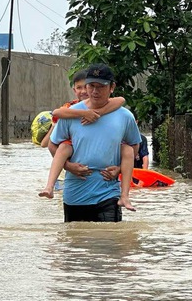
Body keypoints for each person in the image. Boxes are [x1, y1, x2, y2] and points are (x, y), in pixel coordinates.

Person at [48, 63, 141, 222]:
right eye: (91, 86)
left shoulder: (125, 116)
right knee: (75, 243)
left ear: (112, 87)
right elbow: (53, 145)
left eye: (101, 87)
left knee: (109, 241)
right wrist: (68, 166)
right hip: (75, 194)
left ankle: (124, 197)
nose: (94, 91)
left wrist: (119, 169)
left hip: (108, 193)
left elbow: (134, 147)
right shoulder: (71, 114)